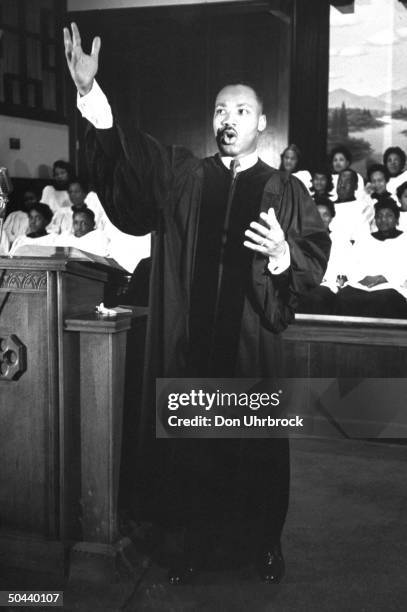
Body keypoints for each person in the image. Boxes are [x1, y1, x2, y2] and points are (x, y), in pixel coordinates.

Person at [64, 22, 330, 585]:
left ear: (261, 122)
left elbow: (312, 252)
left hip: (248, 346)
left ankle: (262, 546)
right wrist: (92, 95)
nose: (227, 119)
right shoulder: (186, 176)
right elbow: (134, 159)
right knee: (190, 447)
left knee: (249, 449)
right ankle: (189, 547)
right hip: (189, 344)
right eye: (219, 110)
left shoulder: (286, 191)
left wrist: (284, 258)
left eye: (239, 110)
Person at [335, 197, 407, 319]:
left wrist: (383, 278)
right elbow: (352, 264)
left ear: (396, 219)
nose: (383, 219)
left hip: (391, 286)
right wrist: (362, 278)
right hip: (362, 284)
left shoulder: (404, 240)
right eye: (379, 216)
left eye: (388, 215)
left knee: (385, 300)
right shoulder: (364, 240)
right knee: (344, 296)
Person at [329, 168, 373, 243]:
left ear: (355, 186)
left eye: (347, 182)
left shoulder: (363, 207)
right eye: (340, 181)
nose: (342, 185)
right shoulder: (327, 206)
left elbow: (362, 237)